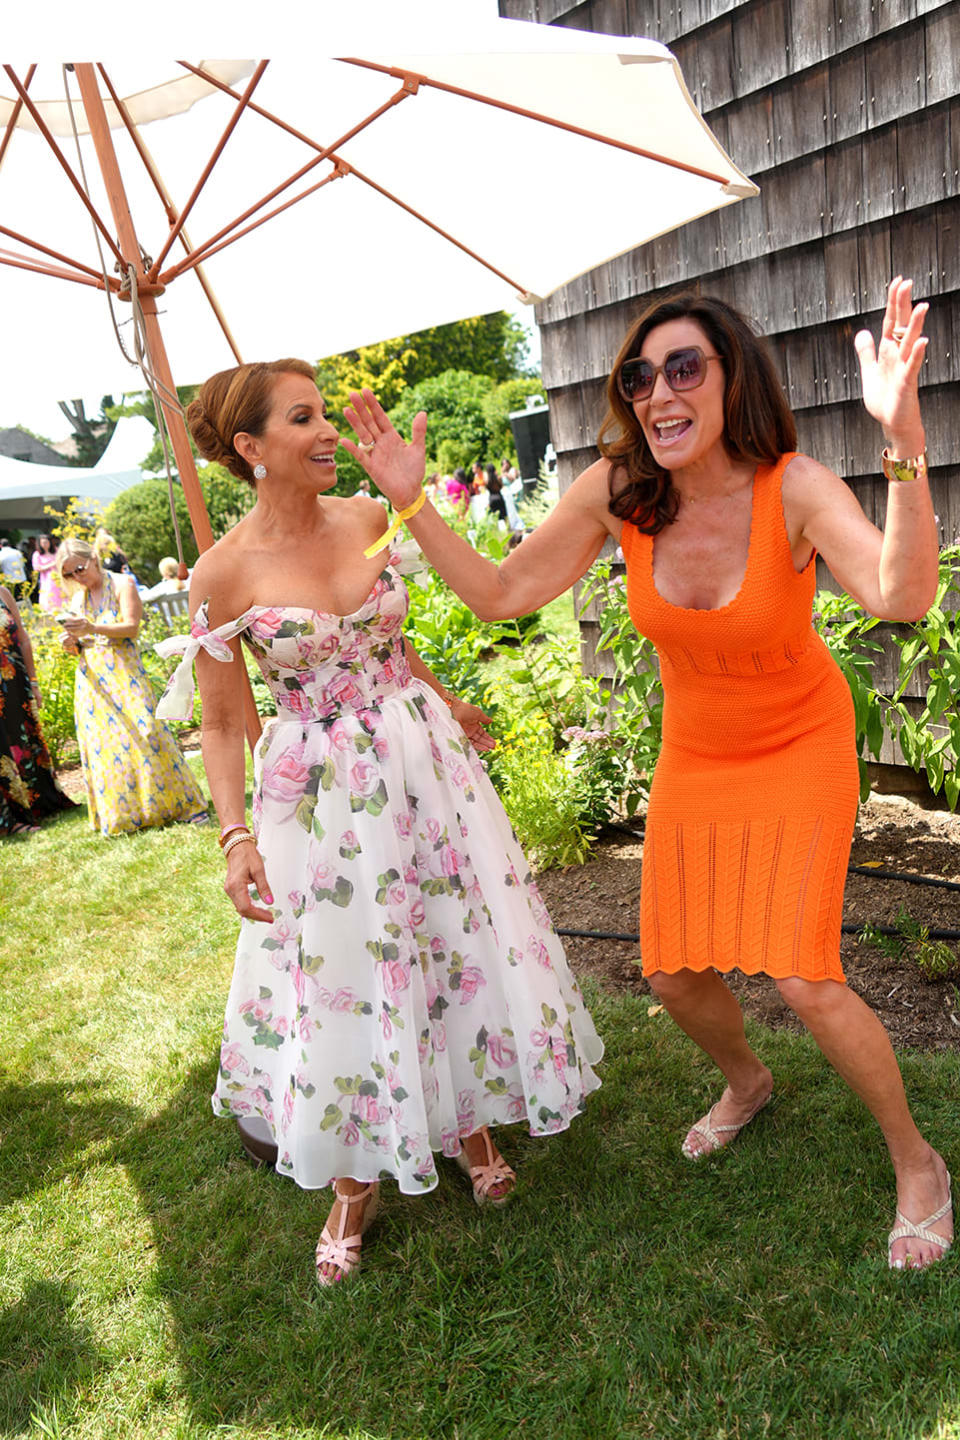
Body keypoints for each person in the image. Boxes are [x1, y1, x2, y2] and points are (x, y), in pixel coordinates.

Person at [345, 276, 952, 1271]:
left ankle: (917, 1161)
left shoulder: (791, 487)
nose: (659, 394)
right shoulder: (619, 492)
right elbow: (500, 596)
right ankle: (748, 1081)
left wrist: (905, 440)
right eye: (640, 376)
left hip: (799, 742)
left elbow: (903, 593)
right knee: (673, 973)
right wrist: (411, 501)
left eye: (683, 369)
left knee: (803, 973)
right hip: (700, 754)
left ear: (729, 381)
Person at [156, 358, 602, 1289]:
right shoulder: (220, 574)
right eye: (304, 419)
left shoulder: (367, 518)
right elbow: (226, 721)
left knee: (448, 934)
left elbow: (393, 644)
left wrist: (446, 701)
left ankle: (469, 1122)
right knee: (348, 964)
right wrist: (234, 836)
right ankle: (354, 1181)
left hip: (420, 761)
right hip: (319, 794)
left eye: (325, 415)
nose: (329, 434)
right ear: (249, 448)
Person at [56, 538, 208, 836]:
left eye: (79, 568)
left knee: (148, 732)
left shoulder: (123, 584)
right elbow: (82, 646)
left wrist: (92, 628)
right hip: (93, 681)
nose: (77, 577)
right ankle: (127, 816)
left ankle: (182, 804)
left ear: (95, 559)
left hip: (125, 673)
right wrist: (70, 643)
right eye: (69, 574)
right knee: (107, 746)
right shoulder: (78, 600)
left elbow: (132, 627)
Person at [0, 584, 75, 835]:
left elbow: (21, 637)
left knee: (24, 739)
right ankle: (11, 819)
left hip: (15, 681)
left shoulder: (2, 592)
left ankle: (40, 803)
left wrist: (33, 682)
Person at [31, 534, 65, 614]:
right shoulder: (37, 554)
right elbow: (37, 568)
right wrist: (51, 565)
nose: (45, 544)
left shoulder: (56, 550)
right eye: (43, 542)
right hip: (47, 580)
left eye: (47, 542)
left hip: (59, 577)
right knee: (49, 595)